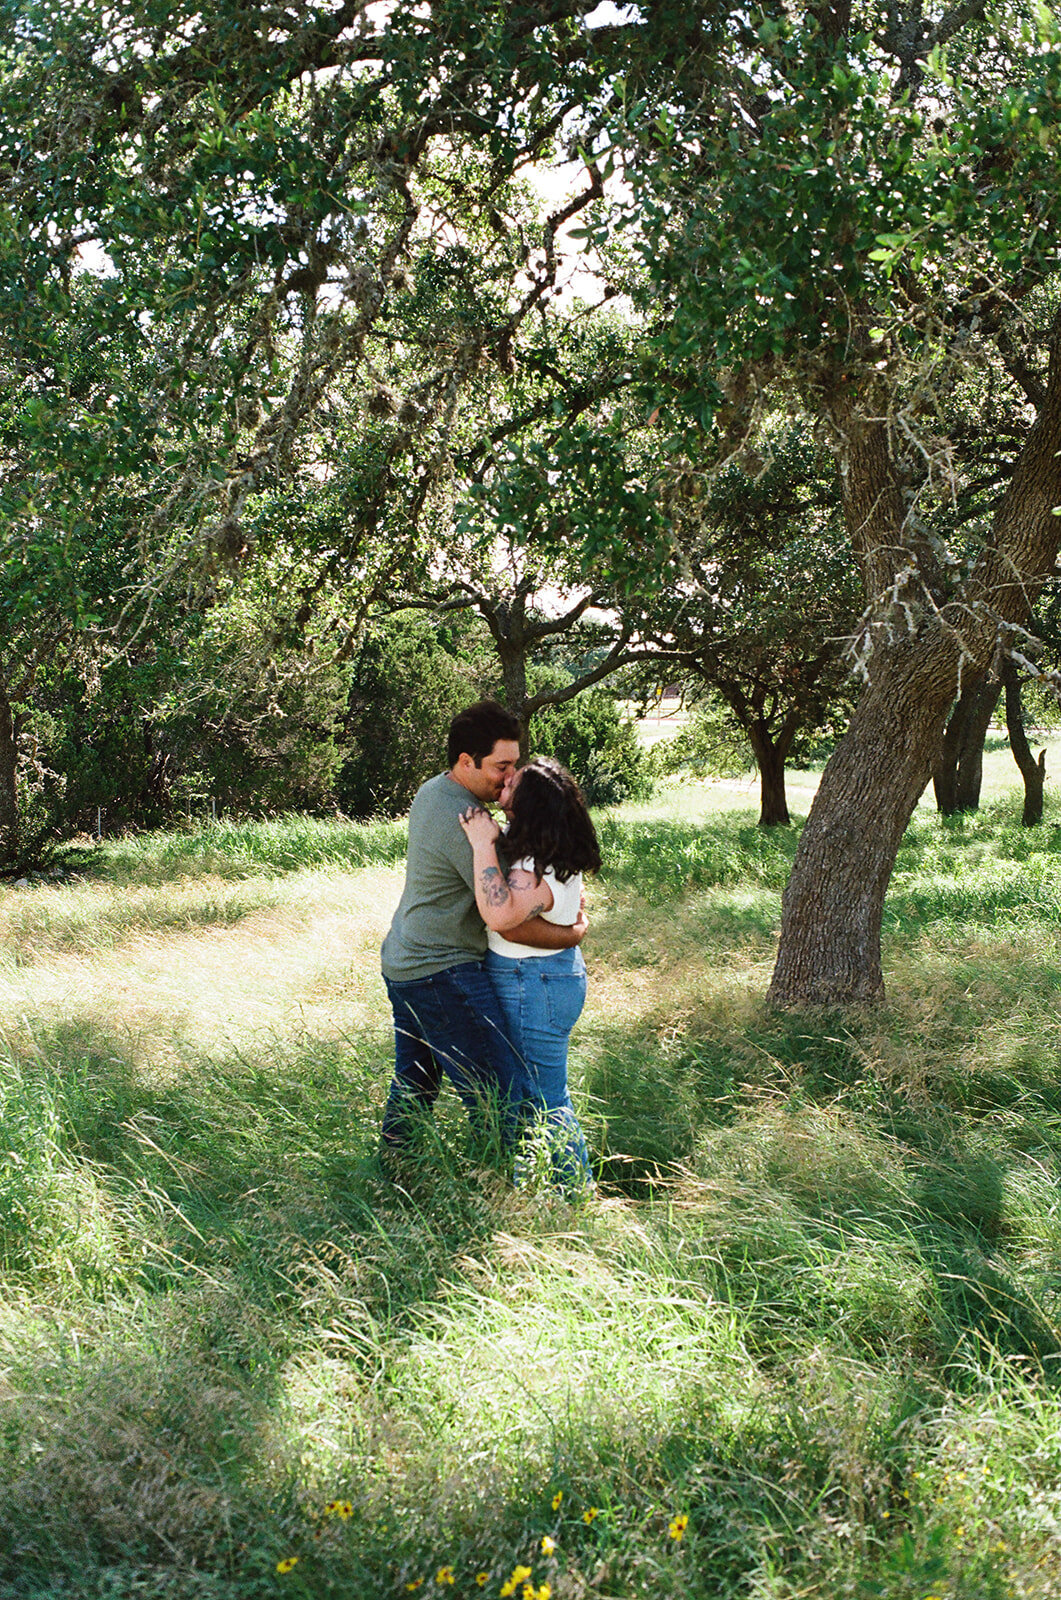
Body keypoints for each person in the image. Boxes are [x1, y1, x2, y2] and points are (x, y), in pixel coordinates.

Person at [380, 702, 587, 1160]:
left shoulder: (434, 790)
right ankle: (504, 1194)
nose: (510, 776)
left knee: (416, 1081)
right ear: (465, 762)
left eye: (515, 764)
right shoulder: (468, 823)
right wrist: (573, 934)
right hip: (442, 969)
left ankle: (397, 1172)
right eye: (501, 766)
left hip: (406, 960)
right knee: (498, 1092)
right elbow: (510, 921)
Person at [459, 756, 601, 1196]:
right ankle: (545, 1188)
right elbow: (522, 923)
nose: (501, 789)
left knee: (544, 1099)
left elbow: (500, 916)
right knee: (536, 1094)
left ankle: (575, 1198)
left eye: (511, 787)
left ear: (529, 805)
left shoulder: (532, 870)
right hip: (544, 980)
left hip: (533, 983)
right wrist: (572, 933)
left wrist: (483, 843)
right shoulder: (551, 852)